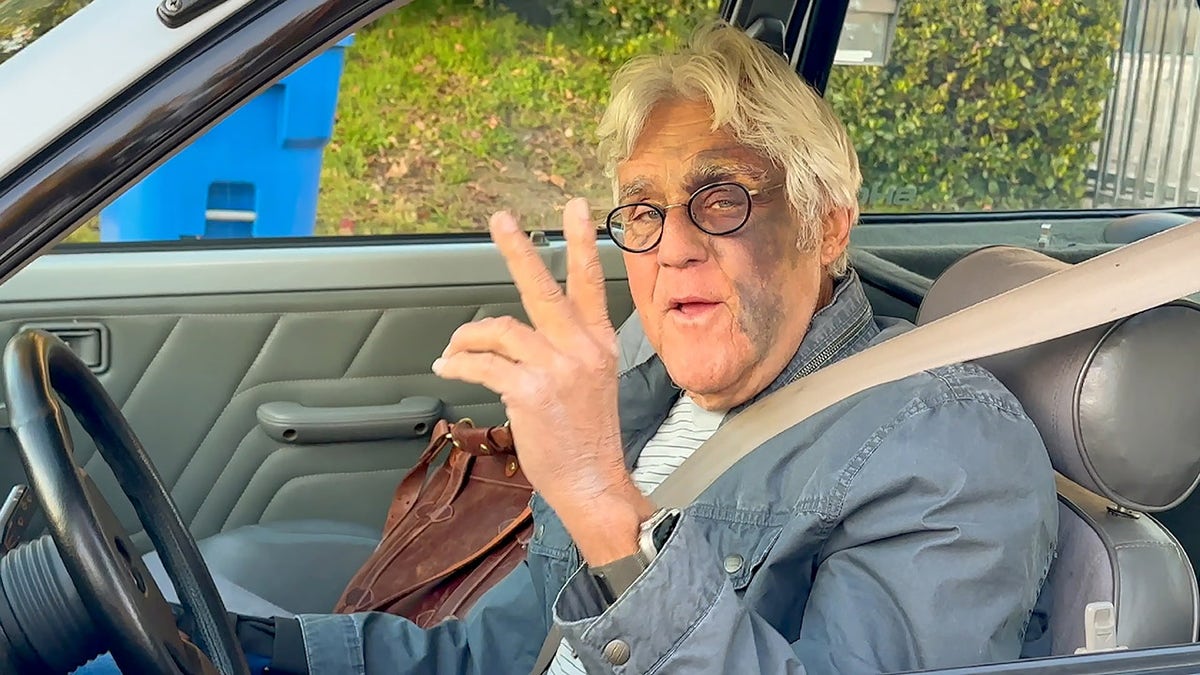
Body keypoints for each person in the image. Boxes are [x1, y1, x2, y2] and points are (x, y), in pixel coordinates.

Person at [79, 17, 1057, 675]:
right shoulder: (651, 391)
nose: (671, 246)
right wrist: (238, 644)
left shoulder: (949, 446)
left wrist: (604, 512)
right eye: (643, 210)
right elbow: (495, 656)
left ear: (827, 228)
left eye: (721, 198)